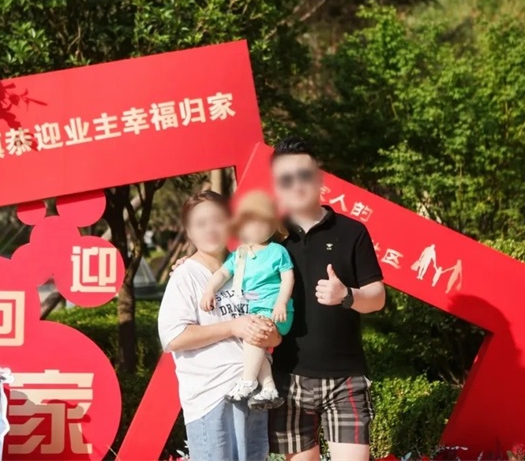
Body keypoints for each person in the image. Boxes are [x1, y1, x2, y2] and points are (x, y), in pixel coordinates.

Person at [268, 137, 386, 461]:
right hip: (289, 378)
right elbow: (230, 273)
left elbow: (377, 297)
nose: (297, 185)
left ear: (319, 177)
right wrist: (189, 266)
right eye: (286, 179)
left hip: (346, 379)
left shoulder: (353, 232)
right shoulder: (271, 238)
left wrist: (346, 295)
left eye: (304, 175)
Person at [157, 190, 280, 461]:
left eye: (217, 220)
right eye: (201, 223)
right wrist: (233, 327)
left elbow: (273, 332)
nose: (210, 229)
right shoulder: (186, 275)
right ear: (189, 232)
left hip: (253, 392)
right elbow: (173, 337)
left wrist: (271, 334)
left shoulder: (250, 267)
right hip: (211, 396)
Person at [200, 190, 294, 408]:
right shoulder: (239, 254)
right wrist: (209, 290)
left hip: (275, 309)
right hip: (254, 310)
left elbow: (288, 277)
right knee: (253, 342)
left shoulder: (277, 251)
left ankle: (248, 381)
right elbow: (223, 273)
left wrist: (281, 302)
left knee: (252, 337)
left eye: (264, 222)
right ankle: (269, 388)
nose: (257, 228)